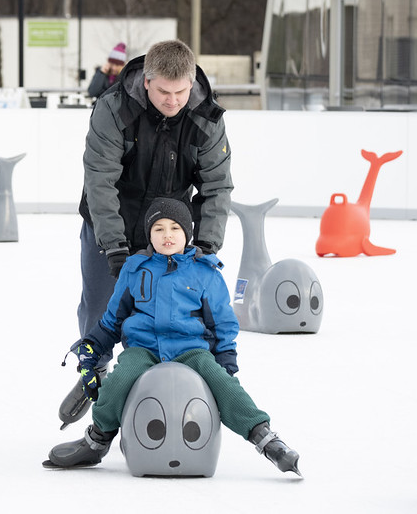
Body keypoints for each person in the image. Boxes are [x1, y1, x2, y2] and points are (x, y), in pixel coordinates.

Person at [44, 198, 300, 475]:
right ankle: (96, 442)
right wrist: (92, 346)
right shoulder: (134, 269)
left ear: (187, 233)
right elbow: (113, 320)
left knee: (224, 386)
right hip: (144, 349)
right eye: (159, 229)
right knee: (117, 383)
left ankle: (266, 439)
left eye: (175, 228)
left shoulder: (205, 271)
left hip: (190, 350)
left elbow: (222, 325)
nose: (167, 235)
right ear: (149, 235)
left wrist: (226, 365)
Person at [59, 39, 233, 426]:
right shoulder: (113, 107)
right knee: (100, 306)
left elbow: (217, 186)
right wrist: (115, 248)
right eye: (164, 92)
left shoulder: (206, 116)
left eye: (181, 92)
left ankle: (187, 385)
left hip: (168, 226)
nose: (173, 101)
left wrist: (205, 246)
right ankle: (96, 373)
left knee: (178, 309)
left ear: (191, 83)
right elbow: (100, 180)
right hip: (112, 217)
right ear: (147, 81)